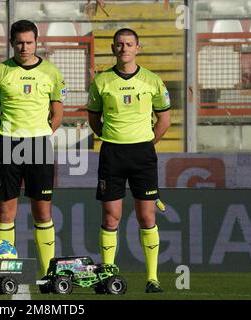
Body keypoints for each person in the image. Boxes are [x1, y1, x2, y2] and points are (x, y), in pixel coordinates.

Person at [87, 28, 170, 293]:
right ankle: (108, 274)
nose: (124, 48)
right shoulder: (101, 82)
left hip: (142, 154)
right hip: (112, 153)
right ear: (113, 48)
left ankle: (153, 278)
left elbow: (164, 118)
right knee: (111, 216)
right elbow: (93, 119)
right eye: (120, 44)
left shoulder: (152, 80)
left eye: (129, 44)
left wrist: (147, 142)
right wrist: (112, 138)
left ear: (138, 47)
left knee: (147, 216)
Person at [0, 20, 66, 277]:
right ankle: (4, 272)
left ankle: (48, 273)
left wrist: (38, 135)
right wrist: (12, 133)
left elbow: (58, 114)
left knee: (42, 210)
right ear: (11, 43)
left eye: (29, 42)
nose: (24, 47)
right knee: (6, 210)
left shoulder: (51, 72)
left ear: (36, 42)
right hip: (9, 143)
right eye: (19, 42)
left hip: (40, 144)